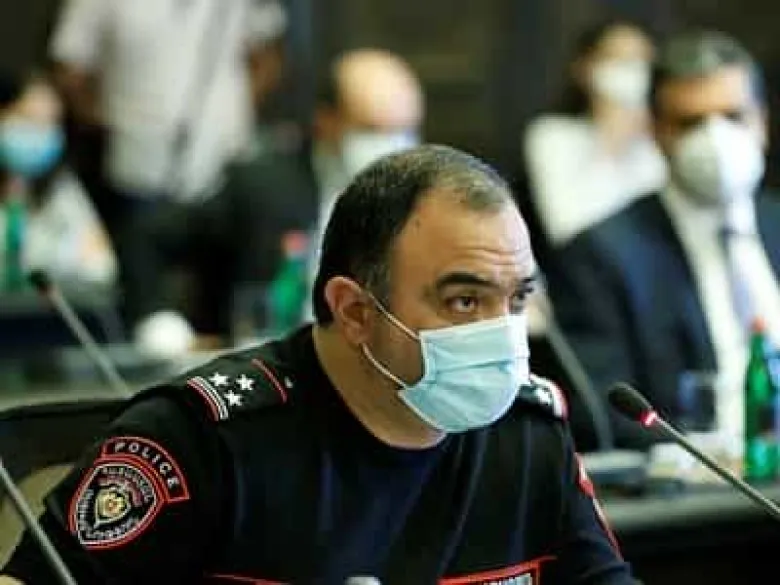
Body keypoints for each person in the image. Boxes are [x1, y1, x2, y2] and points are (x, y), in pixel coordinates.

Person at [0, 145, 637, 584]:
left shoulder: (529, 433)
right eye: (464, 301)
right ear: (355, 311)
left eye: (517, 300)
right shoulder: (200, 440)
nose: (501, 334)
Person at [547, 30, 780, 451]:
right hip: (703, 481)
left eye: (733, 116)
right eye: (690, 123)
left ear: (762, 121)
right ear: (655, 130)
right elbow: (605, 416)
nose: (716, 140)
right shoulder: (599, 256)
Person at [125, 48, 424, 356]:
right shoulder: (261, 186)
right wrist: (157, 319)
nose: (391, 146)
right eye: (371, 130)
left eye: (404, 130)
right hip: (267, 361)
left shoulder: (422, 197)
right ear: (325, 120)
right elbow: (147, 237)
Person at [522, 19, 666, 251]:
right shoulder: (553, 135)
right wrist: (612, 134)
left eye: (640, 60)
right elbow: (568, 227)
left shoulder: (662, 136)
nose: (630, 71)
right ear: (584, 68)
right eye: (617, 59)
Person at [0, 70, 114, 292]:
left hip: (37, 308)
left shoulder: (62, 189)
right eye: (27, 119)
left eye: (49, 122)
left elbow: (101, 266)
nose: (37, 133)